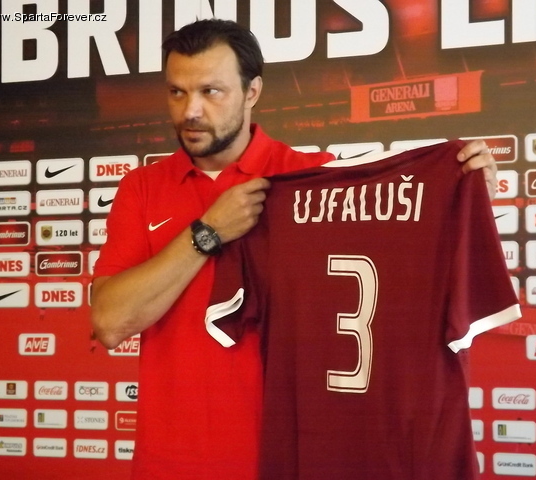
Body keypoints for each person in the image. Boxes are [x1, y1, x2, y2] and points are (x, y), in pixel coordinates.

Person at [90, 18, 499, 480]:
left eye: (211, 91)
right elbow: (110, 322)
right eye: (177, 92)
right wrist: (207, 233)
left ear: (252, 92)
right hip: (173, 462)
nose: (191, 111)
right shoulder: (142, 188)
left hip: (289, 461)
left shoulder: (312, 180)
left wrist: (460, 196)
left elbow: (404, 265)